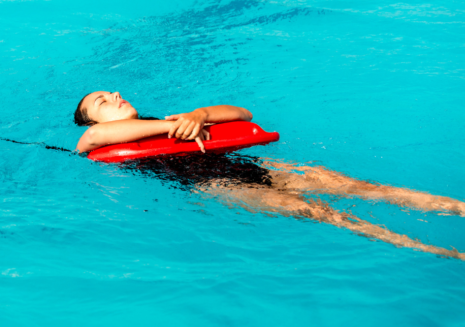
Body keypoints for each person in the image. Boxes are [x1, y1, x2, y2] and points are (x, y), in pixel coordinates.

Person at [73, 90, 465, 260]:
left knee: (363, 188)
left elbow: (243, 114)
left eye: (111, 91)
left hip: (250, 169)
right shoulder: (97, 138)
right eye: (102, 101)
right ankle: (434, 250)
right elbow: (96, 137)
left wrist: (198, 116)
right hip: (218, 185)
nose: (114, 95)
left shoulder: (175, 119)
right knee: (322, 212)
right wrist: (169, 129)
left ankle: (458, 208)